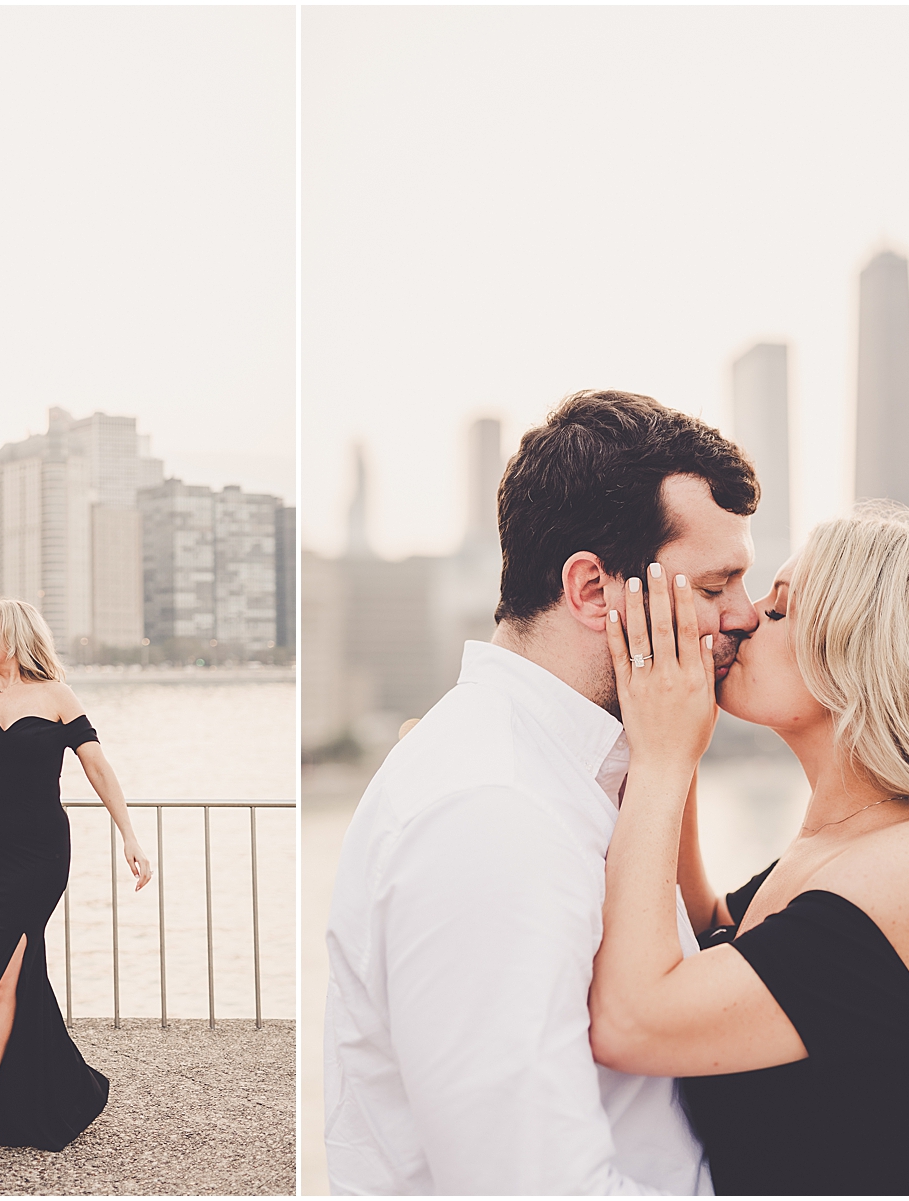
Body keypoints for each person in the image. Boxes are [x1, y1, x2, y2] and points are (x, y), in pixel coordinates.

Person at [323, 390, 762, 1193]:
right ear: (593, 590)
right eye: (712, 587)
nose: (745, 615)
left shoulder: (565, 776)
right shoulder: (490, 810)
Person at [589, 509, 909, 1194]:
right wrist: (674, 736)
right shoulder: (843, 845)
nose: (742, 618)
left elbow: (632, 1020)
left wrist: (665, 761)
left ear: (867, 654)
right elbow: (703, 929)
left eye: (781, 608)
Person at [0, 582, 154, 1162]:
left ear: (14, 636)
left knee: (4, 978)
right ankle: (55, 1081)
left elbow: (98, 768)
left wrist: (129, 835)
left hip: (38, 858)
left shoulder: (59, 697)